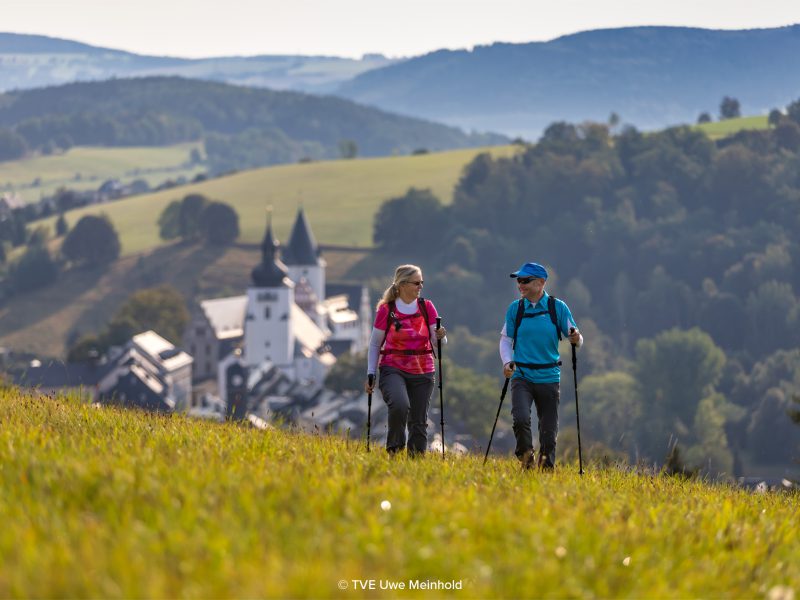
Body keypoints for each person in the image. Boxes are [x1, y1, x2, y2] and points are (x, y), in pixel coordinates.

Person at [498, 262, 583, 470]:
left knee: (548, 432)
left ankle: (546, 471)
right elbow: (506, 340)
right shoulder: (515, 309)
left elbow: (577, 339)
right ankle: (526, 461)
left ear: (541, 283)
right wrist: (507, 361)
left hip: (549, 376)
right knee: (520, 419)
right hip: (522, 375)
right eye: (519, 280)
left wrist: (575, 338)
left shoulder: (557, 308)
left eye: (525, 280)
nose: (520, 285)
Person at [365, 264, 446, 455]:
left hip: (423, 369)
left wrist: (441, 335)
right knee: (400, 405)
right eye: (416, 283)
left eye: (422, 283)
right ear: (402, 285)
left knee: (419, 419)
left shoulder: (427, 307)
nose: (420, 287)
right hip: (392, 368)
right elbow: (375, 344)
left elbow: (438, 343)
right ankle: (394, 449)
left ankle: (416, 459)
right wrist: (371, 373)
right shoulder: (387, 310)